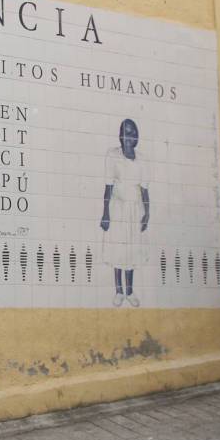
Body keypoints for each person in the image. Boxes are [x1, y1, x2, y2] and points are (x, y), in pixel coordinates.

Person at [99, 119, 150, 307]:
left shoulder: (142, 159)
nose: (128, 136)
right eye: (125, 132)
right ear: (120, 135)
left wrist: (147, 213)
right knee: (118, 250)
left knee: (131, 251)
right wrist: (105, 213)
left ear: (136, 136)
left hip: (135, 210)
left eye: (132, 132)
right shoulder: (112, 155)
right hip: (117, 209)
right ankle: (119, 291)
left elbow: (144, 189)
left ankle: (129, 291)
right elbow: (108, 186)